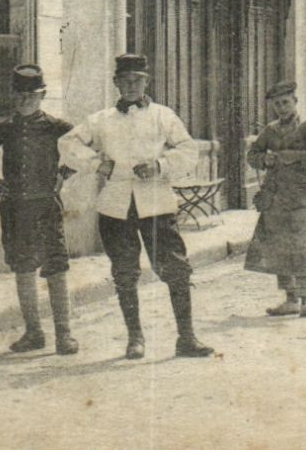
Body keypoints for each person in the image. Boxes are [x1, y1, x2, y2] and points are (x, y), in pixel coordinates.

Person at [60, 54, 214, 359]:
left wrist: (160, 165)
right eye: (125, 80)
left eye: (137, 80)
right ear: (116, 83)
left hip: (156, 202)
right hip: (115, 206)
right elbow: (67, 144)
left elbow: (188, 149)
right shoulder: (101, 119)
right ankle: (135, 338)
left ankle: (186, 337)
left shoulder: (163, 115)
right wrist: (98, 166)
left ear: (147, 82)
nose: (131, 85)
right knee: (125, 272)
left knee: (175, 268)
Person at [0, 64, 79, 355]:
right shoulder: (6, 128)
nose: (25, 101)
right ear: (13, 97)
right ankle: (34, 333)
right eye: (20, 96)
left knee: (55, 267)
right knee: (24, 268)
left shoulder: (56, 127)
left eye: (32, 95)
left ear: (42, 96)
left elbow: (85, 146)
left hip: (46, 207)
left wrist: (65, 172)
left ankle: (64, 335)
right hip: (16, 209)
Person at [245, 81, 306, 318]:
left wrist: (291, 156)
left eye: (285, 102)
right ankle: (290, 299)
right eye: (277, 105)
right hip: (274, 197)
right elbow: (252, 155)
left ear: (295, 102)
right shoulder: (271, 130)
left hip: (299, 197)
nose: (282, 108)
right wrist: (265, 160)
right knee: (279, 248)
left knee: (302, 246)